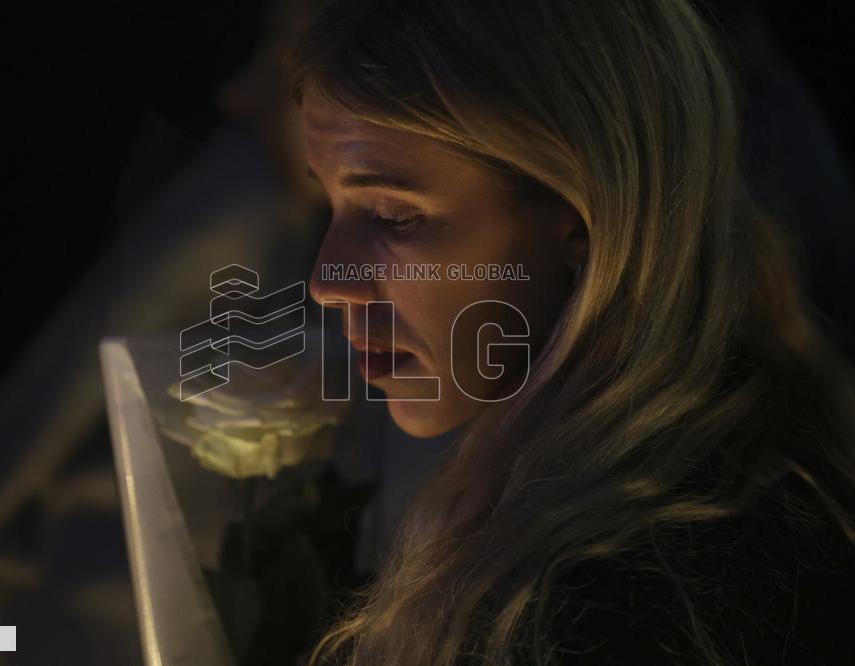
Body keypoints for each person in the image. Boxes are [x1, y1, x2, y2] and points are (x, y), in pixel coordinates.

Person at [286, 0, 855, 664]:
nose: (325, 279)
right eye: (329, 205)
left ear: (586, 225)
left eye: (390, 214)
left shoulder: (624, 602)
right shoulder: (745, 457)